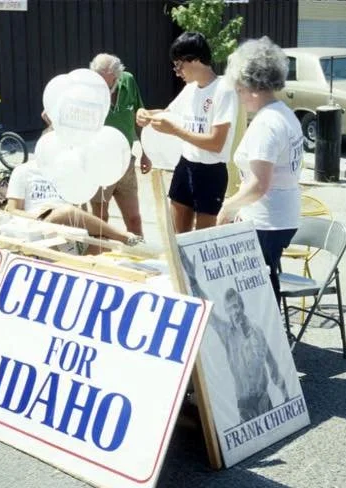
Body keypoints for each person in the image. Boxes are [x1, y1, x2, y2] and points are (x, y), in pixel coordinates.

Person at [218, 37, 304, 300]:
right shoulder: (285, 114)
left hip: (267, 219)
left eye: (240, 91)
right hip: (281, 216)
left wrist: (228, 207)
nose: (240, 98)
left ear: (253, 87)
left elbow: (259, 185)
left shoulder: (266, 124)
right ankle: (271, 336)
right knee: (263, 282)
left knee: (257, 290)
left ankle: (270, 339)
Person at [136, 31, 238, 233]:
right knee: (177, 238)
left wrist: (175, 131)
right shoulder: (190, 89)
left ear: (196, 60)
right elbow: (167, 113)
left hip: (211, 171)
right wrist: (145, 113)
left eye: (178, 64)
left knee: (202, 243)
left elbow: (216, 142)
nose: (176, 71)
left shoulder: (224, 90)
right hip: (186, 165)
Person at [180, 248, 289, 423]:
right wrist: (193, 280)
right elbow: (207, 309)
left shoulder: (258, 332)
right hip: (244, 405)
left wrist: (286, 395)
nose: (235, 311)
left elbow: (273, 365)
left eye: (237, 306)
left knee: (273, 434)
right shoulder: (226, 333)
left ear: (242, 306)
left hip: (264, 399)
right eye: (230, 308)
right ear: (227, 312)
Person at [5, 161, 143, 252]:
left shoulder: (66, 171)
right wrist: (35, 216)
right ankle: (123, 236)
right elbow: (11, 210)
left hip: (67, 225)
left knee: (102, 247)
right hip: (39, 221)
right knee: (65, 211)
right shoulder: (24, 170)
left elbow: (80, 208)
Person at [88, 53, 151, 236]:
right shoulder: (88, 88)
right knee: (101, 220)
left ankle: (140, 256)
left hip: (126, 162)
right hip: (99, 164)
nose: (105, 86)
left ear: (117, 76)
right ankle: (100, 258)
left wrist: (146, 153)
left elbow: (139, 118)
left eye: (109, 81)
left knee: (134, 218)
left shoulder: (128, 81)